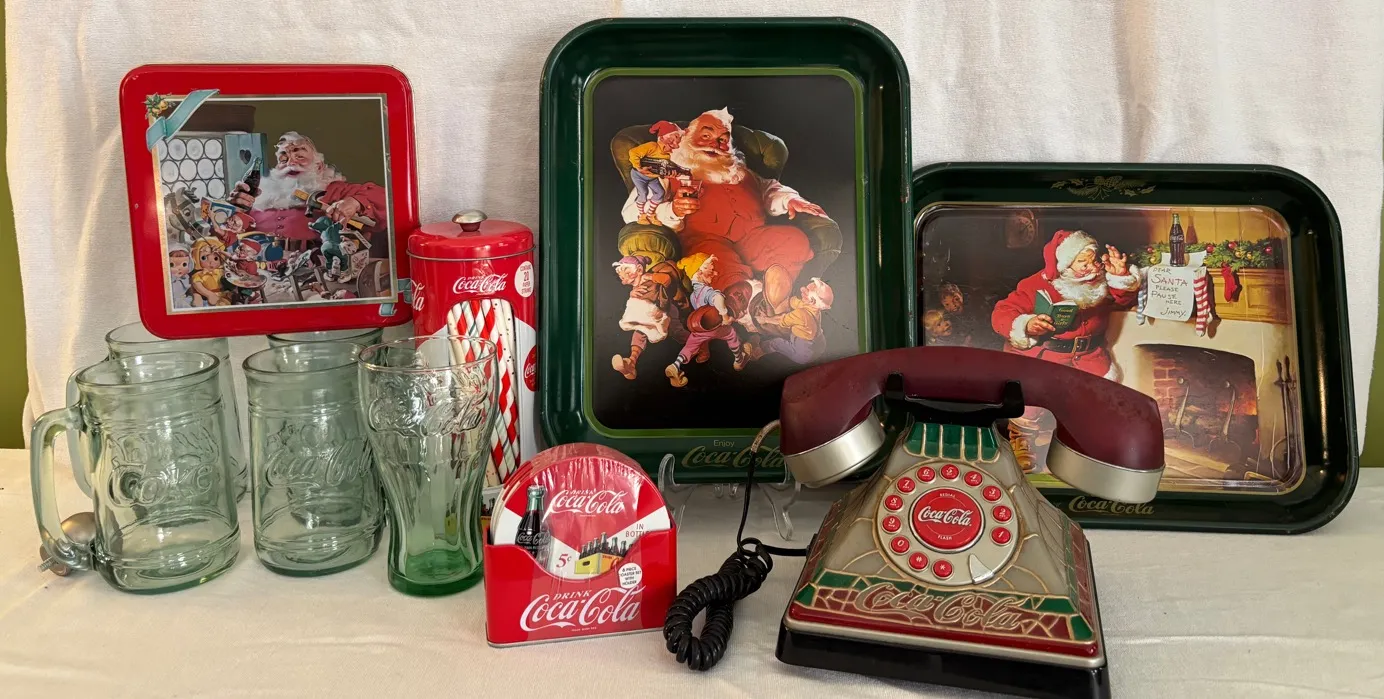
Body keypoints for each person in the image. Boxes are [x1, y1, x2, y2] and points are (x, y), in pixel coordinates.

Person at [623, 108, 828, 312]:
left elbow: (769, 189)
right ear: (687, 137)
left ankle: (775, 302)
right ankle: (748, 307)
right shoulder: (668, 171)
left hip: (753, 238)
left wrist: (791, 200)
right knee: (715, 264)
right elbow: (630, 212)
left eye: (722, 139)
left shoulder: (739, 171)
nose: (714, 144)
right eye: (706, 136)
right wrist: (673, 210)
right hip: (706, 242)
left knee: (795, 240)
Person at [990, 229, 1140, 380]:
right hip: (1044, 361)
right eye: (1084, 264)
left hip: (1091, 361)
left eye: (1095, 261)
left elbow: (1124, 303)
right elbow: (1002, 312)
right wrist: (1027, 325)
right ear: (1065, 266)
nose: (1094, 269)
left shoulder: (1099, 282)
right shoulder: (1035, 284)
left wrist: (1120, 277)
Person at [228, 132, 387, 252]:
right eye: (283, 159)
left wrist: (354, 203)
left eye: (300, 157)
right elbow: (228, 235)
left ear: (319, 166)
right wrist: (233, 210)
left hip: (316, 269)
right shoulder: (259, 195)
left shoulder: (337, 190)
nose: (291, 163)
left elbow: (386, 200)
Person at [665, 254, 747, 387]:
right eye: (710, 270)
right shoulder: (707, 291)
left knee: (690, 347)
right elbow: (718, 299)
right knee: (731, 335)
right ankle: (739, 360)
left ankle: (675, 365)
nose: (715, 273)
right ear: (698, 273)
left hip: (700, 329)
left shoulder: (693, 295)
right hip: (715, 327)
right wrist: (725, 316)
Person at [610, 255, 691, 380]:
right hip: (648, 314)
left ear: (639, 269)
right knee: (640, 331)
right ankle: (631, 362)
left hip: (666, 311)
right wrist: (632, 293)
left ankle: (696, 345)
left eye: (627, 273)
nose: (624, 278)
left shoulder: (646, 277)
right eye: (621, 276)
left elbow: (666, 280)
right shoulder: (636, 285)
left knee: (677, 332)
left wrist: (653, 278)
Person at [751, 277, 833, 364]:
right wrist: (786, 299)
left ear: (813, 301)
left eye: (806, 292)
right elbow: (797, 303)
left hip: (804, 353)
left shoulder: (802, 314)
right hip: (820, 345)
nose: (802, 290)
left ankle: (757, 351)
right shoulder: (814, 309)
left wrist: (765, 319)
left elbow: (781, 320)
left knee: (776, 343)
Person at [626, 121, 683, 225]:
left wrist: (668, 175)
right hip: (639, 175)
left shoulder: (667, 156)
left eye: (677, 142)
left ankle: (650, 215)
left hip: (652, 178)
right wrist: (639, 168)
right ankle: (642, 215)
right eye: (672, 140)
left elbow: (660, 170)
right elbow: (633, 152)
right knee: (643, 194)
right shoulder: (652, 146)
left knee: (660, 193)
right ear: (662, 138)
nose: (675, 145)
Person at [189, 237, 229, 307]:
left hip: (222, 294)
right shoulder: (199, 274)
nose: (211, 262)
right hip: (206, 295)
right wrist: (209, 294)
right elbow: (197, 286)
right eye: (204, 258)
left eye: (215, 258)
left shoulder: (221, 271)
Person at [168, 244, 193, 309]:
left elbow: (189, 289)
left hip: (184, 299)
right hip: (172, 301)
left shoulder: (186, 277)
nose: (179, 268)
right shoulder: (169, 279)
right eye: (172, 265)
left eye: (184, 264)